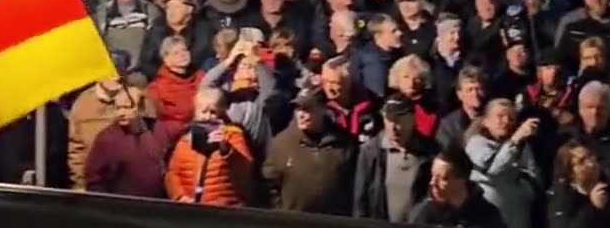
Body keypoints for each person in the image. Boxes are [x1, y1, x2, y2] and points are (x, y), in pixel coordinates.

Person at [263, 87, 357, 215]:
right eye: (298, 109)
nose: (301, 114)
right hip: (292, 222)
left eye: (307, 109)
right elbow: (269, 184)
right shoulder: (281, 143)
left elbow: (353, 185)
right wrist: (280, 213)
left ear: (323, 109)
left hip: (333, 222)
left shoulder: (344, 143)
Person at [164, 87, 255, 206]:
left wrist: (226, 150)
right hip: (189, 207)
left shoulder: (233, 135)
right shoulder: (185, 139)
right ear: (195, 112)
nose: (208, 117)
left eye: (213, 112)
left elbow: (245, 171)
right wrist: (179, 196)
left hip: (223, 208)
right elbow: (173, 173)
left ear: (221, 112)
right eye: (203, 111)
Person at [354, 96, 437, 221]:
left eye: (399, 121)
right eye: (389, 120)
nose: (393, 128)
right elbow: (360, 200)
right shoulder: (370, 152)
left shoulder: (430, 152)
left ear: (413, 119)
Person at [464, 98, 542, 228]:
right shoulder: (476, 144)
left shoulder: (523, 147)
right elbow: (494, 169)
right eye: (500, 116)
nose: (506, 122)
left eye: (511, 118)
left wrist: (521, 183)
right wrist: (516, 140)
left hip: (519, 216)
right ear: (485, 121)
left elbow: (535, 178)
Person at [83, 86, 171, 198]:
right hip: (120, 207)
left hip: (155, 206)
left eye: (127, 107)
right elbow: (93, 179)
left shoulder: (157, 131)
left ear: (140, 108)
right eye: (118, 108)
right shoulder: (107, 138)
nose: (121, 113)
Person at [68, 51, 133, 190]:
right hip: (93, 184)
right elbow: (76, 150)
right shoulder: (83, 104)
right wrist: (80, 185)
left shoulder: (136, 100)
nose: (116, 78)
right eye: (111, 73)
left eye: (120, 72)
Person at [409, 149, 506, 228]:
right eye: (432, 176)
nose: (433, 183)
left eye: (443, 178)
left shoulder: (487, 215)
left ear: (462, 179)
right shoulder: (423, 213)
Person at [547, 140, 610, 228]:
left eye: (591, 157)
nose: (591, 164)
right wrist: (592, 208)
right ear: (570, 173)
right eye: (581, 162)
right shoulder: (561, 197)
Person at [144, 35, 204, 141]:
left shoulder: (201, 76)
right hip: (174, 136)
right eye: (176, 53)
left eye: (185, 50)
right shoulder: (157, 88)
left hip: (203, 128)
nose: (183, 55)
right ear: (166, 59)